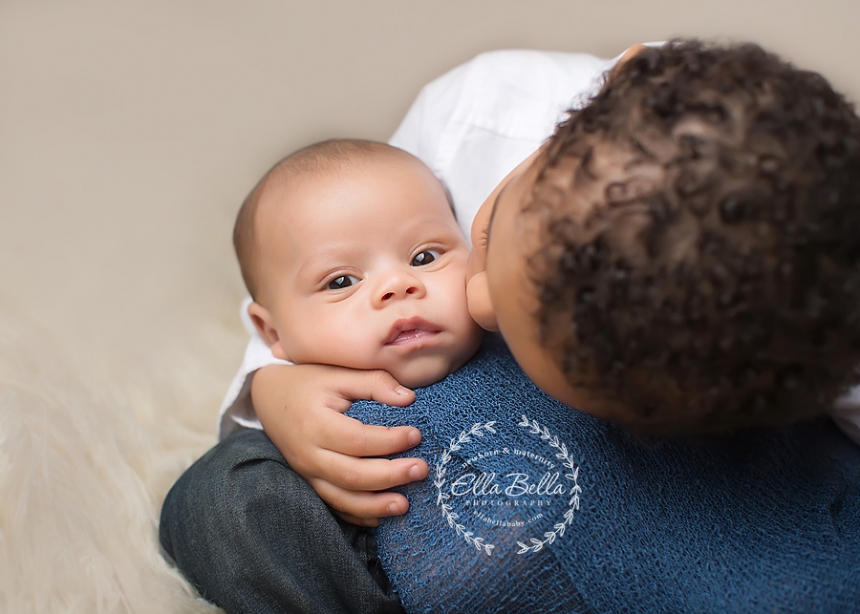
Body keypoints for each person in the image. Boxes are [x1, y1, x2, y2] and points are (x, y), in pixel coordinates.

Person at [160, 40, 860, 613]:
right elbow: (311, 254)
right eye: (486, 237)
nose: (477, 302)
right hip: (411, 488)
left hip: (645, 499)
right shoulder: (476, 117)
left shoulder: (819, 324)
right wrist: (274, 384)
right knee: (222, 504)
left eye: (547, 348)